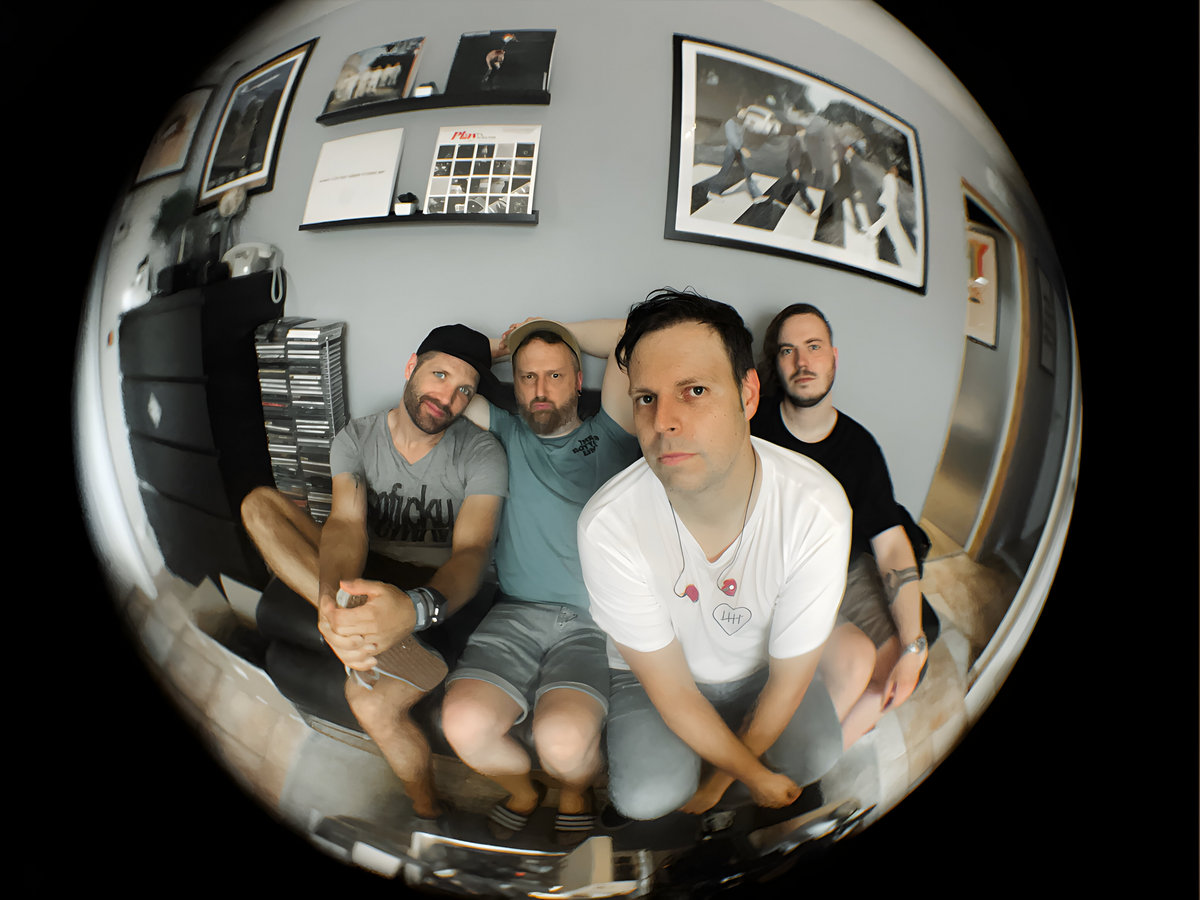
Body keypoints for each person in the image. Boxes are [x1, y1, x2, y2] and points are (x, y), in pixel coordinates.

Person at [577, 289, 853, 823]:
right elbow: (673, 690)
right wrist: (752, 777)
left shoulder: (815, 508)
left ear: (747, 395)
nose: (663, 422)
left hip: (759, 670)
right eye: (646, 398)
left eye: (695, 391)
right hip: (659, 678)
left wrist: (721, 783)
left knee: (816, 755)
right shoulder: (608, 526)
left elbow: (788, 678)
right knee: (646, 797)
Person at [241, 324, 508, 821]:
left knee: (368, 704)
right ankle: (348, 620)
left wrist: (417, 609)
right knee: (259, 505)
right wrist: (332, 600)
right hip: (368, 569)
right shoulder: (357, 437)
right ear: (411, 368)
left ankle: (427, 807)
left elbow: (472, 553)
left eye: (464, 390)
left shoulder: (481, 452)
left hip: (434, 587)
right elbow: (346, 524)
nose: (448, 398)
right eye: (440, 375)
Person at [440, 317, 640, 843]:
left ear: (578, 380)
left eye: (555, 375)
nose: (541, 389)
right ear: (514, 384)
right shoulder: (504, 429)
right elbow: (439, 386)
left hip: (593, 624)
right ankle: (524, 792)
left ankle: (575, 789)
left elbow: (635, 331)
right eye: (527, 376)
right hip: (514, 612)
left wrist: (549, 326)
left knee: (563, 740)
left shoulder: (612, 431)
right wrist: (493, 349)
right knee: (462, 724)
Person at [751, 303, 933, 748]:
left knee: (905, 662)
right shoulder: (753, 424)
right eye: (788, 351)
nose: (802, 361)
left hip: (844, 572)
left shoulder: (860, 448)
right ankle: (791, 759)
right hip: (774, 576)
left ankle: (821, 758)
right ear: (776, 363)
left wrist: (913, 644)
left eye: (813, 347)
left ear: (834, 357)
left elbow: (891, 545)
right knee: (856, 661)